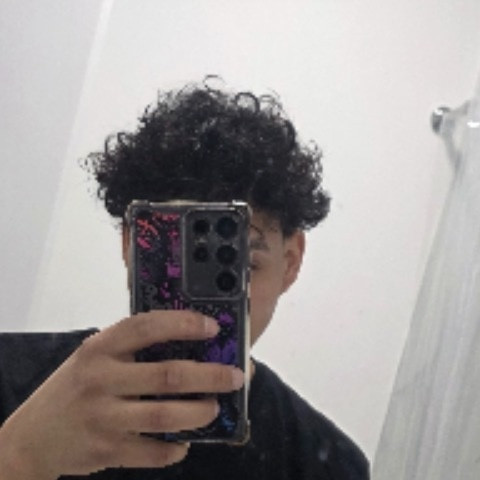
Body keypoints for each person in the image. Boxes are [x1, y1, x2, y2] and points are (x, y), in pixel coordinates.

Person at [0, 80, 369, 479]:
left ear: (291, 263)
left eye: (240, 266)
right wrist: (17, 456)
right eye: (171, 260)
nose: (200, 313)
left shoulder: (330, 467)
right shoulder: (10, 377)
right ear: (130, 246)